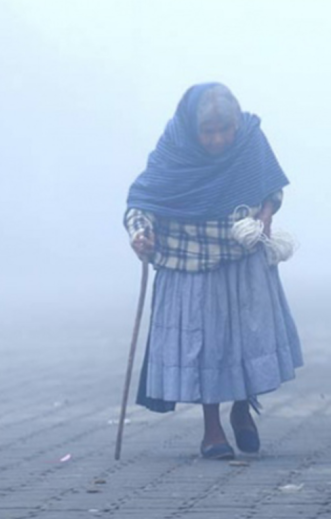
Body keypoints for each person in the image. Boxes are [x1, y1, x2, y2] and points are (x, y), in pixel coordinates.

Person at [124, 83, 303, 460]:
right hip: (190, 262)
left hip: (242, 256)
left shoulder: (250, 140)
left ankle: (241, 409)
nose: (219, 139)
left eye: (226, 130)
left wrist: (268, 209)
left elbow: (271, 186)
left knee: (243, 339)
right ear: (193, 128)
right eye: (209, 131)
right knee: (206, 346)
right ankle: (211, 430)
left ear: (236, 125)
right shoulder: (174, 148)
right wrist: (140, 233)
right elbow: (143, 200)